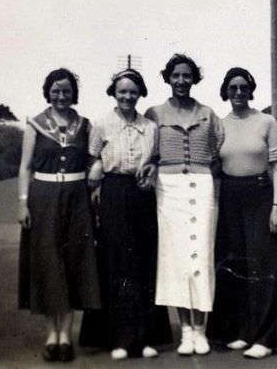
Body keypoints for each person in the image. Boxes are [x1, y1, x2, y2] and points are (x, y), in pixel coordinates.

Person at [78, 69, 172, 360]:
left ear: (140, 93)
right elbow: (92, 157)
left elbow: (155, 159)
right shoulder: (101, 125)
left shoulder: (151, 127)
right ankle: (118, 338)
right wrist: (95, 168)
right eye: (122, 92)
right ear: (114, 94)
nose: (128, 97)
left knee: (143, 263)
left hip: (142, 194)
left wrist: (152, 169)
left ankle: (144, 338)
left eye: (133, 92)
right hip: (113, 193)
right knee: (116, 264)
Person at [18, 68, 100, 363]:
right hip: (43, 200)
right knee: (48, 264)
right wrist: (22, 203)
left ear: (73, 93)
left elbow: (94, 157)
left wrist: (97, 165)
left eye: (66, 91)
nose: (61, 96)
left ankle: (66, 334)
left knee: (73, 265)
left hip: (77, 201)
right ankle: (51, 334)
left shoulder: (85, 125)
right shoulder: (35, 125)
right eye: (56, 91)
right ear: (48, 92)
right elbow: (25, 167)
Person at [144, 54, 224, 356]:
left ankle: (201, 329)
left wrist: (204, 173)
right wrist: (155, 168)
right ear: (168, 78)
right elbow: (149, 151)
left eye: (186, 76)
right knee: (176, 258)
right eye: (176, 75)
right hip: (169, 189)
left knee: (200, 257)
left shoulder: (207, 112)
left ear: (194, 79)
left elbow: (219, 148)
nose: (181, 81)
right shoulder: (155, 113)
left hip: (201, 187)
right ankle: (186, 331)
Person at [207, 67, 277, 359]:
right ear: (225, 91)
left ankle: (265, 338)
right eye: (232, 87)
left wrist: (276, 206)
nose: (238, 92)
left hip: (259, 195)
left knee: (262, 265)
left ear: (251, 90)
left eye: (243, 87)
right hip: (229, 195)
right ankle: (240, 331)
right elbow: (213, 164)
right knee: (232, 265)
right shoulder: (218, 124)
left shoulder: (266, 121)